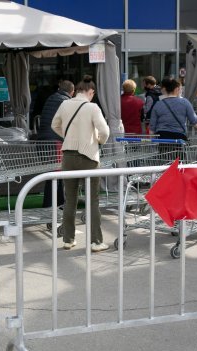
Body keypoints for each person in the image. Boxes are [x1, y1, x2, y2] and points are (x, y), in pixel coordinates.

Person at [51, 75, 110, 252]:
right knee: (93, 200)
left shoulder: (65, 104)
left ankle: (68, 239)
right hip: (89, 157)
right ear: (91, 92)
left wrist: (68, 138)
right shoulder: (92, 107)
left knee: (70, 199)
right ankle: (96, 241)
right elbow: (104, 131)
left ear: (76, 90)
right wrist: (98, 141)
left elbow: (55, 125)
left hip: (68, 156)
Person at [37, 79, 74, 208]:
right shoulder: (66, 101)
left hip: (44, 140)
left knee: (54, 173)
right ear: (72, 91)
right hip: (55, 140)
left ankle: (59, 202)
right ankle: (50, 205)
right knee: (56, 174)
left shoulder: (52, 98)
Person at [150, 76, 197, 141]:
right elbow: (195, 122)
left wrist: (152, 139)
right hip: (179, 137)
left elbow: (152, 127)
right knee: (178, 151)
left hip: (162, 137)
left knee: (165, 151)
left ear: (165, 89)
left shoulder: (158, 104)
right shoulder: (185, 102)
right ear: (176, 89)